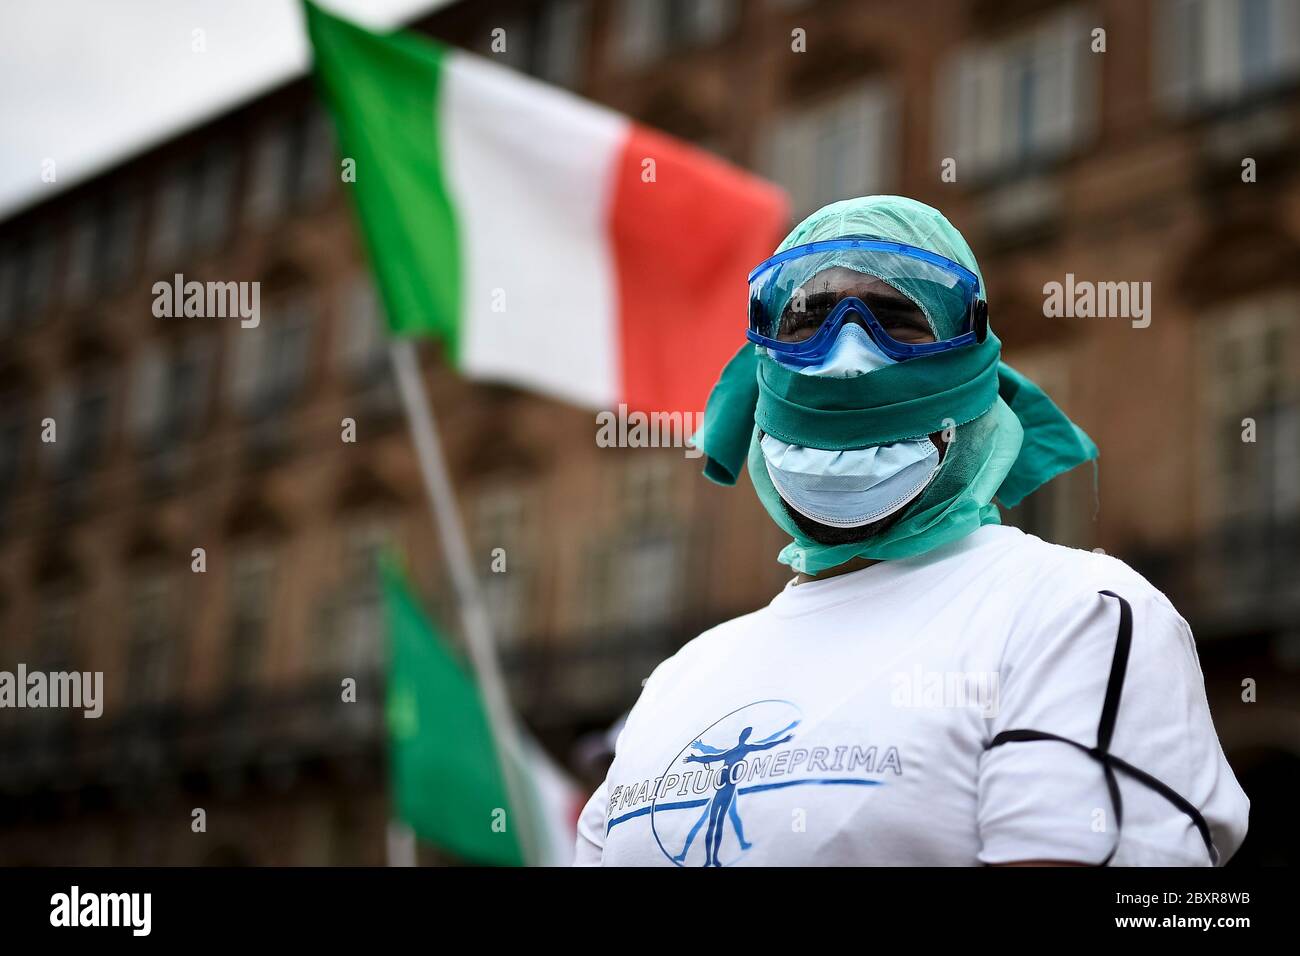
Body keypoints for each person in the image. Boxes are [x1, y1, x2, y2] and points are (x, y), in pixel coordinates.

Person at [574, 196, 1248, 867]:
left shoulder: (1074, 616)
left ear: (974, 365)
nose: (846, 356)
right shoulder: (671, 687)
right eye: (807, 320)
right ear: (762, 373)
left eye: (895, 318)